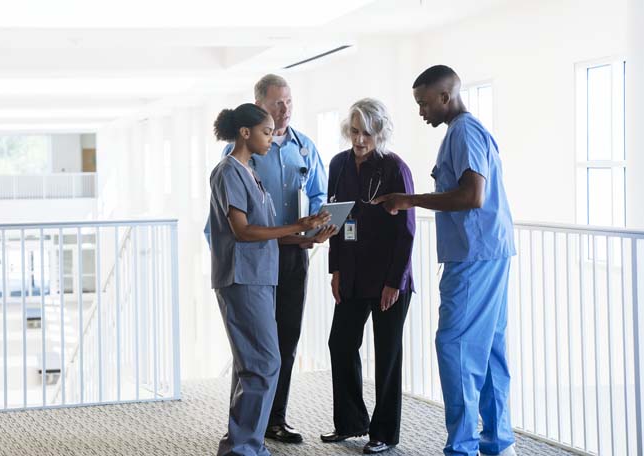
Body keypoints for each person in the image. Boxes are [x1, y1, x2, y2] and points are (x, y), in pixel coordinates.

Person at [372, 65, 517, 456]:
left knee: (454, 346)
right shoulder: (464, 131)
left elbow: (473, 196)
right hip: (489, 250)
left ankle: (463, 447)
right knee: (488, 349)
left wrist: (409, 200)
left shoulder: (464, 132)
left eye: (423, 103)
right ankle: (497, 442)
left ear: (444, 97)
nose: (421, 112)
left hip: (474, 255)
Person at [204, 74, 328, 444]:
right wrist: (291, 228)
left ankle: (250, 440)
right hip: (243, 273)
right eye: (266, 130)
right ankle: (242, 444)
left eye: (275, 130)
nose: (272, 136)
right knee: (259, 362)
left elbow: (265, 225)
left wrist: (303, 231)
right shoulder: (229, 170)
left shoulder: (275, 161)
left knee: (264, 359)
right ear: (246, 130)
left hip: (266, 269)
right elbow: (243, 230)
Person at [318, 98, 415, 454]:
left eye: (368, 133)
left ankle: (384, 433)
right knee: (340, 344)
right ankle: (350, 422)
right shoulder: (339, 165)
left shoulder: (395, 167)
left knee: (387, 354)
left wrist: (395, 281)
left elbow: (407, 231)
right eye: (355, 132)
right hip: (353, 274)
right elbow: (336, 221)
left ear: (380, 132)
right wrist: (336, 270)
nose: (360, 140)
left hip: (388, 277)